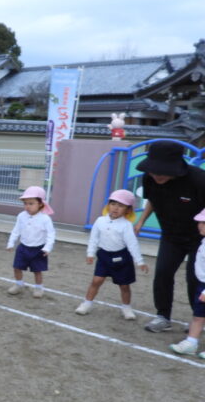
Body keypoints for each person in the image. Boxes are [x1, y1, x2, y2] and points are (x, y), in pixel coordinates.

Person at [132, 140, 205, 332]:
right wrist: (141, 221)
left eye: (162, 172)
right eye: (153, 171)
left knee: (195, 278)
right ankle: (163, 316)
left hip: (199, 238)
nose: (157, 175)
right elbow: (152, 200)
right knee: (163, 273)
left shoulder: (198, 180)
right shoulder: (149, 178)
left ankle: (199, 319)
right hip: (171, 234)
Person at [75, 189, 148, 319]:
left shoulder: (126, 225)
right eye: (113, 204)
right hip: (104, 256)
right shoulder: (100, 221)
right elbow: (94, 238)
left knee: (124, 286)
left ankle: (126, 308)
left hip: (122, 258)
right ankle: (86, 303)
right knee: (96, 281)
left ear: (128, 210)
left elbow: (132, 244)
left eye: (121, 205)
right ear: (108, 205)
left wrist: (140, 261)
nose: (115, 208)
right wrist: (90, 253)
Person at [6, 186, 56, 298]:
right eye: (25, 203)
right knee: (17, 267)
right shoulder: (21, 216)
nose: (27, 206)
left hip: (38, 249)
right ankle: (19, 284)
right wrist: (11, 242)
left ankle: (38, 287)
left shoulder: (45, 219)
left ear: (41, 204)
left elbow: (51, 234)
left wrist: (48, 247)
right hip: (23, 247)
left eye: (31, 203)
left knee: (37, 271)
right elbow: (16, 230)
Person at [169, 208, 205, 359]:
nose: (199, 225)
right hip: (202, 284)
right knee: (198, 316)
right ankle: (191, 342)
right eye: (200, 222)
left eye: (203, 223)